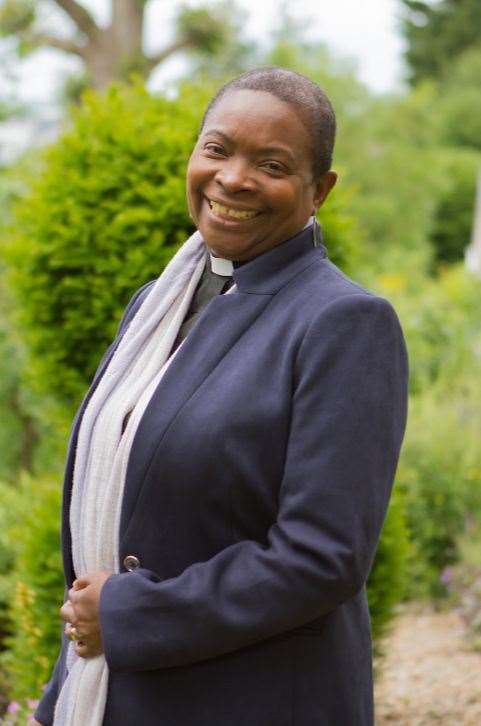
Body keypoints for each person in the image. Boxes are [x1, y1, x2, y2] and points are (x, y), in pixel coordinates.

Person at [34, 67, 408, 726]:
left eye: (270, 163)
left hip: (251, 700)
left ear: (318, 190)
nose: (233, 178)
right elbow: (112, 520)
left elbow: (321, 558)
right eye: (217, 149)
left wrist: (128, 615)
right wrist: (58, 698)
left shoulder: (343, 324)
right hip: (116, 694)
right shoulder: (156, 306)